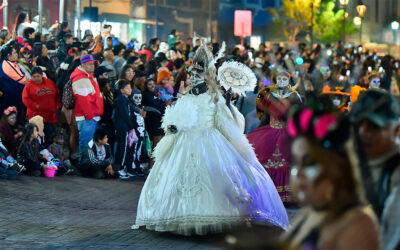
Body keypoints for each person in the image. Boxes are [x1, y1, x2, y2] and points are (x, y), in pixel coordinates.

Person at [132, 42, 289, 235]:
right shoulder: (186, 95)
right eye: (193, 74)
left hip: (210, 142)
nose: (195, 78)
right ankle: (181, 217)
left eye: (198, 74)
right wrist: (172, 127)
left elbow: (229, 126)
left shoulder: (215, 97)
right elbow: (175, 116)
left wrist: (230, 106)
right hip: (184, 141)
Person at [281, 105, 380, 250]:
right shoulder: (311, 212)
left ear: (337, 166)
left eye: (310, 163)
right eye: (296, 162)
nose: (299, 173)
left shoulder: (357, 224)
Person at [350, 89, 400, 250]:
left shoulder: (395, 175)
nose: (363, 132)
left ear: (396, 130)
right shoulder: (348, 162)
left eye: (374, 126)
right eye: (358, 124)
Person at [247, 71, 302, 204]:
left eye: (285, 78)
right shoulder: (269, 95)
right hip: (270, 132)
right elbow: (265, 115)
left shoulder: (294, 96)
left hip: (287, 132)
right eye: (280, 78)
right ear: (276, 80)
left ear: (289, 80)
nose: (282, 80)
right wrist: (259, 129)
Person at [70, 54, 104, 159]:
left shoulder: (87, 76)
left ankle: (86, 162)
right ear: (83, 64)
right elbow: (83, 101)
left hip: (90, 116)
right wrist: (90, 115)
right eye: (90, 64)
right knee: (86, 142)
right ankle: (84, 164)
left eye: (93, 64)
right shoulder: (81, 79)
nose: (92, 66)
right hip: (87, 117)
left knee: (87, 142)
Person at [22, 67, 61, 147]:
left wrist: (57, 105)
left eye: (38, 76)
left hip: (50, 116)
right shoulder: (29, 85)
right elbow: (25, 99)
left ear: (42, 75)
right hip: (36, 116)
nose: (36, 78)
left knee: (50, 135)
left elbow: (57, 94)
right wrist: (35, 106)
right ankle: (39, 153)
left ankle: (49, 153)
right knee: (38, 136)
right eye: (34, 77)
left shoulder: (49, 82)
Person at [113, 80, 141, 179]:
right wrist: (131, 127)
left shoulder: (125, 99)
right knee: (122, 148)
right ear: (122, 90)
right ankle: (119, 169)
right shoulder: (121, 99)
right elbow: (125, 115)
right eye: (127, 88)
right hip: (122, 127)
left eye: (130, 87)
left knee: (125, 147)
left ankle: (123, 167)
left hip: (124, 127)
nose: (130, 90)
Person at [142, 78, 166, 169]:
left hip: (160, 122)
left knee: (159, 146)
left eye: (153, 84)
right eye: (149, 84)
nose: (152, 86)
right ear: (146, 86)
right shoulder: (146, 95)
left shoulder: (156, 95)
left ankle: (155, 167)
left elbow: (162, 107)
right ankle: (150, 167)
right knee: (155, 147)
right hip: (154, 124)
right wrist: (163, 103)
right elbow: (158, 107)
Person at [0, 46, 27, 122]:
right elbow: (23, 80)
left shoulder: (10, 62)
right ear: (8, 55)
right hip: (13, 95)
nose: (17, 55)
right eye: (15, 53)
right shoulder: (7, 65)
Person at [95, 66, 115, 149]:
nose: (107, 77)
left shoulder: (108, 90)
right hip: (102, 124)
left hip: (110, 123)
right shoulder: (97, 90)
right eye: (105, 74)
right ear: (99, 76)